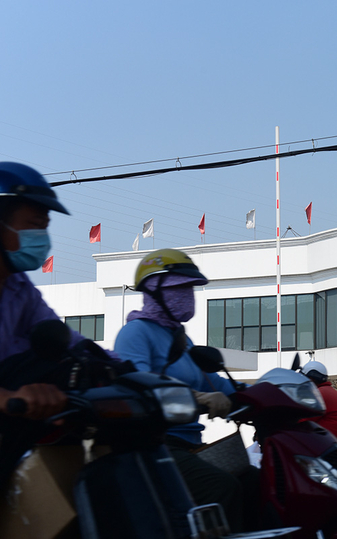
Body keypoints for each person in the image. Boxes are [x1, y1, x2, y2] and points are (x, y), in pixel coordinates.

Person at [114, 248, 257, 532]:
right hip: (155, 446)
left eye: (190, 288)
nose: (187, 295)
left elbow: (215, 383)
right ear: (154, 290)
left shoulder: (183, 340)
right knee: (220, 488)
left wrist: (260, 391)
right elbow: (137, 386)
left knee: (253, 480)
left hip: (191, 446)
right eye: (179, 287)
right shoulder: (135, 333)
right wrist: (199, 398)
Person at [0, 162, 86, 420]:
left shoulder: (21, 288)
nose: (43, 237)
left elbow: (69, 341)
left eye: (45, 227)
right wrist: (7, 398)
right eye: (35, 224)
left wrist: (127, 370)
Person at [301, 360, 337, 450]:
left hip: (327, 451)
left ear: (311, 379)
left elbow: (304, 419)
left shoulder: (319, 394)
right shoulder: (330, 392)